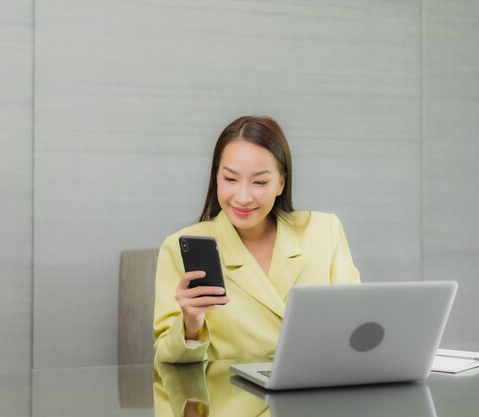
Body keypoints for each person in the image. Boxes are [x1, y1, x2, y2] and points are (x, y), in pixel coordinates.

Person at [153, 115, 359, 363]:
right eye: (230, 179)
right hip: (231, 397)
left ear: (281, 183)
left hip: (316, 394)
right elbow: (167, 362)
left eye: (260, 182)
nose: (242, 197)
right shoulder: (178, 248)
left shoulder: (324, 231)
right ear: (216, 177)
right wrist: (191, 323)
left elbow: (354, 326)